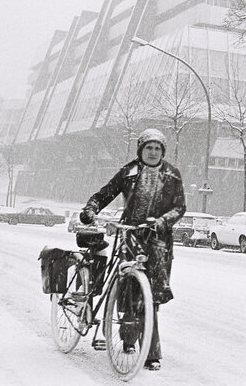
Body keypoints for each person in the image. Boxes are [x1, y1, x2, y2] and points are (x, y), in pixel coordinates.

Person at [80, 128, 186, 371]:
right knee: (128, 289)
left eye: (157, 148)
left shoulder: (172, 175)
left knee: (152, 296)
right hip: (130, 236)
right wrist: (91, 208)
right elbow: (106, 193)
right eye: (148, 147)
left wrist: (162, 221)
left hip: (158, 243)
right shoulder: (129, 172)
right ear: (140, 149)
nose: (153, 152)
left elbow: (180, 207)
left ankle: (151, 352)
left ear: (163, 151)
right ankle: (128, 339)